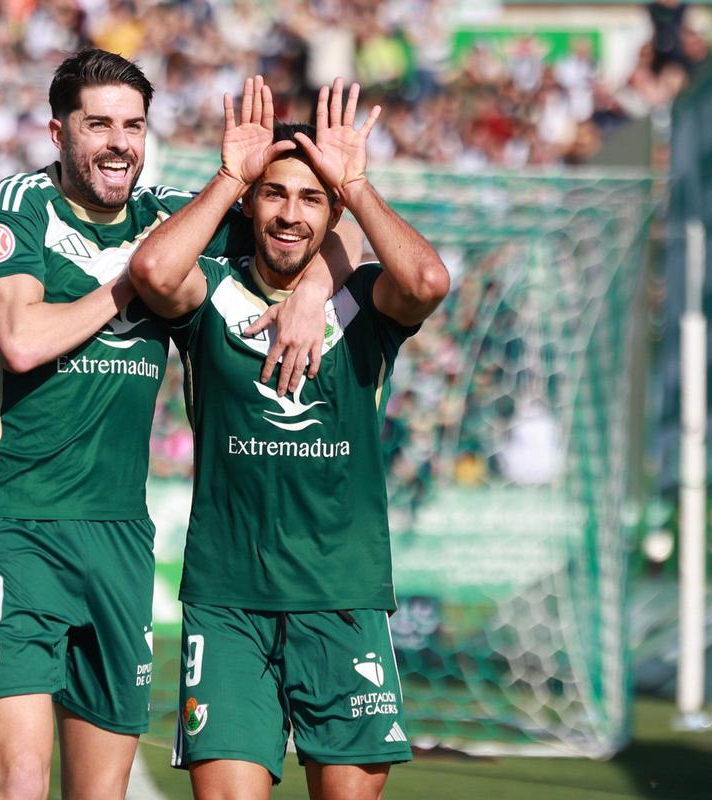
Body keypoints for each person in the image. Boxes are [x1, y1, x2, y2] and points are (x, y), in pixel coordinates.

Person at [0, 50, 357, 800]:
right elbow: (22, 339)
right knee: (22, 778)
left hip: (120, 540)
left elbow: (311, 231)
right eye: (97, 123)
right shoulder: (14, 207)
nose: (118, 142)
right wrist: (133, 279)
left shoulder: (170, 216)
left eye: (133, 126)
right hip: (15, 524)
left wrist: (315, 292)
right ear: (57, 132)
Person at [128, 77, 450, 798]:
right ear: (251, 203)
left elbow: (428, 279)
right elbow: (151, 269)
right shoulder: (210, 291)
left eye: (310, 199)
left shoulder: (363, 301)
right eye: (274, 194)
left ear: (332, 213)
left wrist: (357, 186)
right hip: (229, 602)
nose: (289, 215)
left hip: (342, 599)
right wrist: (228, 174)